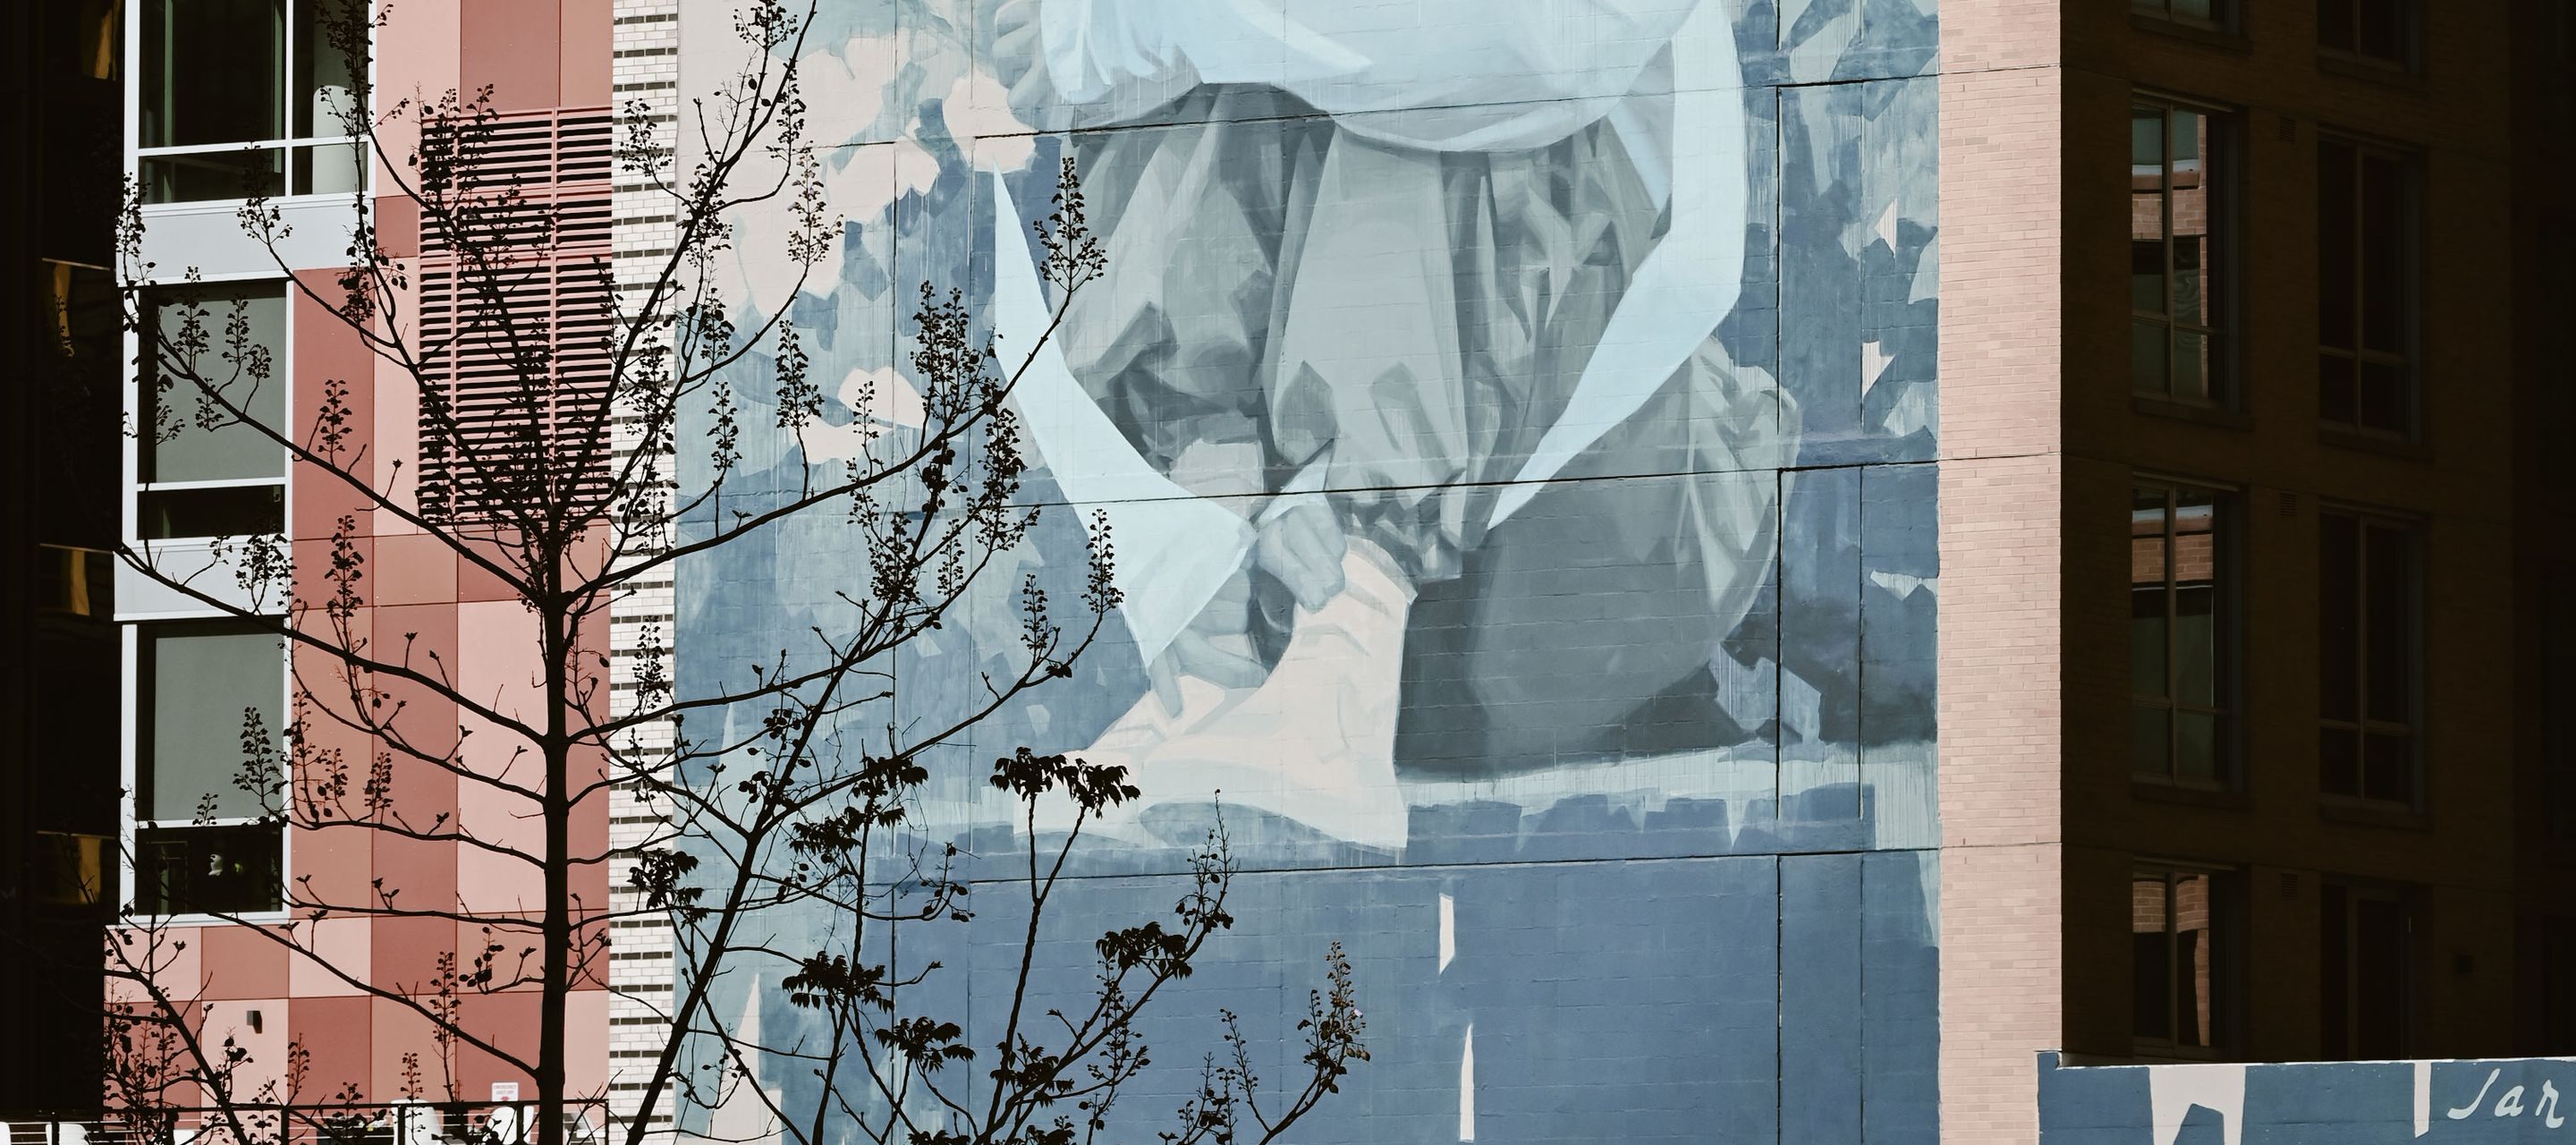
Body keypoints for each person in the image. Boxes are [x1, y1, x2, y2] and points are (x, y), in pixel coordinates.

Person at [987, 0, 1793, 851]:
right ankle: (1221, 660)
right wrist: (1219, 514)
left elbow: (1541, 47)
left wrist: (1128, 21)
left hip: (1587, 554)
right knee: (1184, 79)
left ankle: (1339, 660)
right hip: (1312, 579)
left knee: (1433, 57)